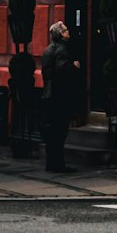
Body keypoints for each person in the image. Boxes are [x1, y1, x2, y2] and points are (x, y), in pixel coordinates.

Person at [40, 20, 79, 173]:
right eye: (66, 30)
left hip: (48, 94)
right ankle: (58, 165)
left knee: (52, 133)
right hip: (59, 96)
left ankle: (51, 164)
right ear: (62, 34)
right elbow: (62, 71)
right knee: (60, 132)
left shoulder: (48, 49)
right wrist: (74, 67)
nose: (68, 32)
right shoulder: (62, 49)